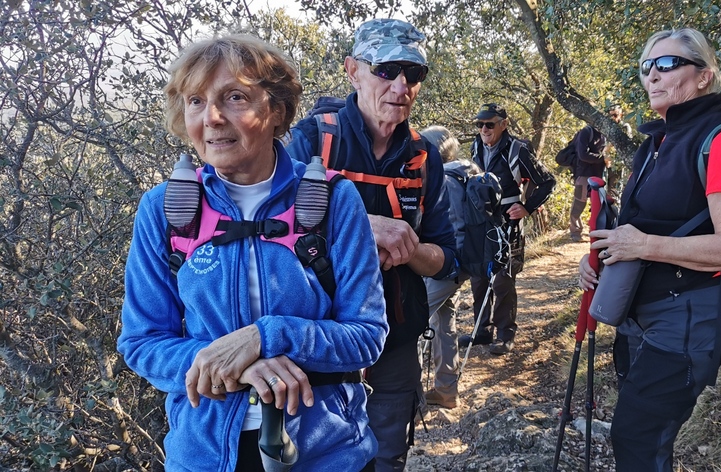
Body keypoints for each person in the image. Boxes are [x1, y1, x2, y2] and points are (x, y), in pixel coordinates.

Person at [118, 34, 387, 471]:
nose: (213, 118)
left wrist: (266, 336)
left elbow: (367, 335)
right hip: (205, 455)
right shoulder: (164, 210)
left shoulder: (334, 200)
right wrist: (229, 364)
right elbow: (141, 341)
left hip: (326, 452)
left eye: (235, 97)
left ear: (276, 110)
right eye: (196, 101)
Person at [578, 28, 721, 471]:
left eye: (667, 64)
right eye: (646, 67)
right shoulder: (655, 144)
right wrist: (600, 257)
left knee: (636, 440)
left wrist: (641, 245)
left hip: (688, 318)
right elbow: (641, 226)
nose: (652, 76)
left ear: (704, 76)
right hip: (640, 316)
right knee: (642, 441)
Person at [285, 19, 457, 472]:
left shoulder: (424, 157)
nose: (401, 86)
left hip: (395, 336)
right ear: (352, 70)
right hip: (316, 340)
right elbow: (267, 230)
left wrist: (409, 247)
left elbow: (446, 260)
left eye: (414, 74)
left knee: (386, 458)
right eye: (386, 69)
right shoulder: (312, 140)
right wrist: (364, 226)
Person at [460, 103, 555, 355]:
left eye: (489, 124)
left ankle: (505, 334)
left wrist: (527, 207)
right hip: (480, 220)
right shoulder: (476, 146)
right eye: (479, 124)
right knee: (479, 275)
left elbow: (547, 181)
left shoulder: (518, 149)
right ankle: (481, 331)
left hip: (508, 220)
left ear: (504, 124)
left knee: (503, 278)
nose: (483, 129)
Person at [418, 125, 470, 409]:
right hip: (462, 266)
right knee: (444, 322)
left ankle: (408, 398)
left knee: (411, 323)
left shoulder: (446, 180)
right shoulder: (467, 172)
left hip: (447, 266)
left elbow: (449, 228)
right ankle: (446, 390)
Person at [568, 114, 611, 242]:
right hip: (584, 174)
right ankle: (575, 232)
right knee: (579, 203)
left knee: (598, 204)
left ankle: (596, 231)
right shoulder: (586, 132)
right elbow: (582, 155)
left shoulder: (605, 135)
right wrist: (602, 158)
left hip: (598, 175)